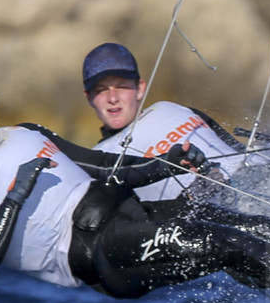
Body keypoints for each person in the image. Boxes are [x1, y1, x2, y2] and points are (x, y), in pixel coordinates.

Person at [0, 70, 270, 301]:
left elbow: (104, 166)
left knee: (249, 227)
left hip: (133, 214)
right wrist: (15, 196)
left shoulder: (25, 133)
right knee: (223, 242)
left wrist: (165, 164)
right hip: (101, 252)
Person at [81, 42, 249, 206]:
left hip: (255, 178)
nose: (112, 99)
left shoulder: (172, 108)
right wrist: (189, 198)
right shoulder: (97, 163)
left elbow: (238, 149)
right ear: (89, 97)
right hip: (209, 215)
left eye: (121, 87)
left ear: (140, 89)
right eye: (101, 90)